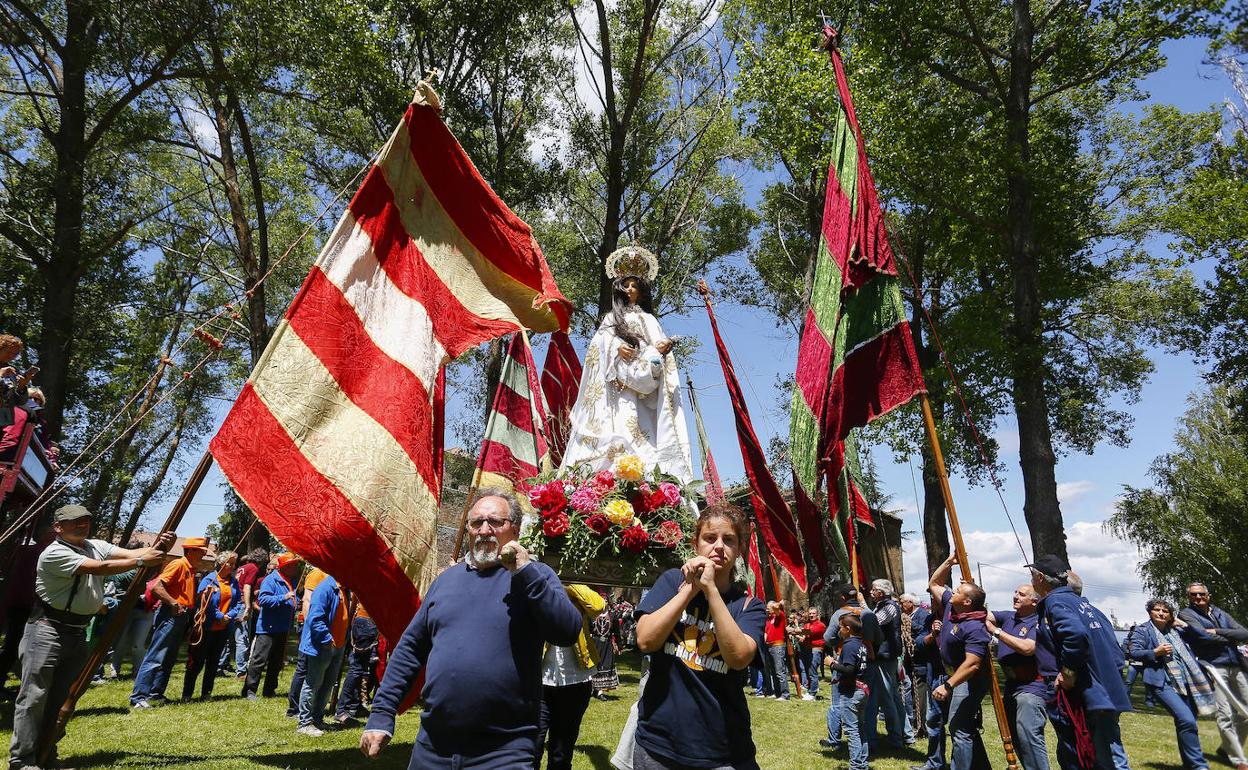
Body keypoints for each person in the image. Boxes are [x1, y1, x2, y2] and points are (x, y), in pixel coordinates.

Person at [359, 489, 581, 767]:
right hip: (433, 747)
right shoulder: (445, 582)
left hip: (505, 752)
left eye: (495, 522)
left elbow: (567, 631)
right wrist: (381, 714)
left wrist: (525, 572)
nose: (484, 530)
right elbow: (410, 651)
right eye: (476, 523)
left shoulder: (535, 576)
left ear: (514, 529)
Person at [9, 505, 169, 770]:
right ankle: (22, 760)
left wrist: (159, 546)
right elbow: (101, 567)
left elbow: (132, 553)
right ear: (58, 527)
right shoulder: (55, 553)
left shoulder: (94, 544)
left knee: (59, 698)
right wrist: (142, 561)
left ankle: (46, 755)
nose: (82, 525)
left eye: (85, 521)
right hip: (47, 630)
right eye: (74, 522)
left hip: (76, 632)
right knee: (34, 698)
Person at [630, 502, 766, 770]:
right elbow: (645, 640)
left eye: (728, 540)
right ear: (696, 544)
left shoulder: (750, 606)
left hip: (722, 752)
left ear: (739, 550)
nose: (718, 546)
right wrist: (689, 590)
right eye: (709, 538)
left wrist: (711, 591)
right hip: (659, 746)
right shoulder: (671, 583)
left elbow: (738, 658)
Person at [558, 246, 693, 482]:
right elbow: (596, 348)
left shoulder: (650, 320)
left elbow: (657, 355)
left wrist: (655, 352)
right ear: (620, 289)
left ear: (641, 292)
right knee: (616, 434)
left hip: (643, 397)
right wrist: (614, 349)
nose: (630, 290)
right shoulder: (611, 319)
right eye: (627, 285)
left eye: (635, 286)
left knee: (644, 443)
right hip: (615, 395)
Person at [1030, 554, 1132, 770]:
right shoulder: (1087, 606)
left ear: (1040, 577)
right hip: (1103, 690)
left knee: (1093, 755)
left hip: (1084, 694)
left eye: (1032, 576)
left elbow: (1075, 635)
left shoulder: (1056, 602)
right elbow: (1116, 654)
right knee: (1108, 753)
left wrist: (1068, 673)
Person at [1125, 598, 1214, 770]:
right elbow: (1134, 652)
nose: (1161, 613)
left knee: (1187, 723)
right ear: (1150, 612)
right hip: (1161, 683)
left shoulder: (1176, 630)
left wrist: (1185, 625)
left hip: (1187, 681)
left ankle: (1190, 764)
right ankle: (1199, 766)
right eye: (1157, 610)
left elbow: (1202, 637)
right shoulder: (1142, 630)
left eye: (1165, 611)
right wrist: (1155, 652)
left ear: (1170, 615)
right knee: (1186, 720)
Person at [927, 554, 992, 770]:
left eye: (958, 592)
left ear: (967, 602)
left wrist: (948, 685)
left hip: (966, 679)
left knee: (958, 728)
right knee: (963, 726)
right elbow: (934, 583)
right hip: (952, 674)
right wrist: (949, 561)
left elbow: (972, 664)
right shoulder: (951, 607)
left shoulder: (975, 626)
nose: (952, 591)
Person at [130, 536, 210, 708]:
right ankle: (139, 697)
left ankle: (156, 693)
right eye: (201, 551)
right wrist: (173, 603)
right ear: (191, 551)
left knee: (168, 657)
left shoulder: (190, 568)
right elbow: (156, 586)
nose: (203, 555)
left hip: (181, 615)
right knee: (156, 655)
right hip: (171, 614)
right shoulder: (179, 564)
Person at [986, 583, 1056, 770]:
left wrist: (996, 631)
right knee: (1014, 736)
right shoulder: (1009, 616)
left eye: (1022, 594)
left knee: (1028, 735)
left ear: (1034, 601)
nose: (1016, 596)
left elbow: (1028, 648)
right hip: (1012, 686)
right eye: (1015, 592)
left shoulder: (1038, 621)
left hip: (1032, 688)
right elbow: (984, 615)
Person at [536, 583, 606, 770]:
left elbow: (598, 606)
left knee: (561, 752)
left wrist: (567, 588)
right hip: (540, 682)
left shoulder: (576, 599)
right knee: (532, 746)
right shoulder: (538, 597)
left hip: (576, 682)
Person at [1179, 582, 1248, 770]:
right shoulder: (1186, 614)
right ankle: (1238, 759)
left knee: (1246, 714)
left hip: (1236, 664)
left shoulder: (1219, 612)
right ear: (1189, 597)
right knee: (1225, 713)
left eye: (1201, 594)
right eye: (1193, 595)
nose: (1198, 598)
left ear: (1208, 595)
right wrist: (1231, 637)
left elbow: (1244, 632)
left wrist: (1218, 631)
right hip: (1213, 667)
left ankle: (1227, 749)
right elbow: (1202, 636)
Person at [182, 550, 241, 700]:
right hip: (206, 628)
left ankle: (206, 693)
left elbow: (238, 603)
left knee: (213, 662)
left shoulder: (234, 582)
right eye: (231, 563)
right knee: (196, 662)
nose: (233, 567)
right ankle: (187, 694)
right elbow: (204, 603)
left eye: (234, 563)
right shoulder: (209, 580)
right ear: (221, 563)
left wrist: (229, 616)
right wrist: (220, 616)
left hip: (223, 629)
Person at [296, 572, 349, 736]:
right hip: (323, 646)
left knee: (327, 686)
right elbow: (315, 617)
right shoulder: (325, 588)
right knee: (313, 684)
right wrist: (326, 639)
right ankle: (304, 723)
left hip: (338, 646)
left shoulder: (343, 590)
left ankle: (317, 719)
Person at [242, 552, 301, 699]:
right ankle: (249, 690)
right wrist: (284, 597)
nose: (296, 568)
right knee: (259, 660)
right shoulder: (271, 580)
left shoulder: (291, 581)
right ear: (286, 567)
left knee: (276, 662)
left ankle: (269, 690)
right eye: (294, 565)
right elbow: (263, 600)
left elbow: (293, 597)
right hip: (268, 628)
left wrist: (296, 601)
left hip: (283, 627)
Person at [866, 578, 911, 748]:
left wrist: (863, 606)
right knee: (892, 696)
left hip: (886, 656)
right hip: (884, 655)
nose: (871, 592)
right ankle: (906, 734)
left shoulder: (890, 607)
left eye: (873, 590)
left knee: (886, 697)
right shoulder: (882, 605)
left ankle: (896, 738)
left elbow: (873, 622)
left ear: (881, 592)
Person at [828, 614, 871, 770]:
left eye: (841, 627)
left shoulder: (849, 646)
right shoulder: (861, 644)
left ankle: (856, 766)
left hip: (851, 693)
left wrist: (832, 664)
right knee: (860, 728)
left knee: (852, 731)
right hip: (862, 690)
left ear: (848, 629)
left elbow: (849, 670)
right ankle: (863, 763)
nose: (839, 629)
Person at [286, 566, 330, 718]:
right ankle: (293, 708)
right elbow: (307, 601)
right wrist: (308, 627)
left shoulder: (329, 574)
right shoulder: (317, 573)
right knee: (303, 668)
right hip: (311, 631)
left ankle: (308, 707)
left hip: (319, 630)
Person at [105, 541, 153, 678]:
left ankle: (137, 670)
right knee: (120, 641)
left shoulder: (148, 568)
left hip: (144, 609)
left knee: (138, 643)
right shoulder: (124, 569)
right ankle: (115, 669)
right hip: (125, 609)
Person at [334, 603, 378, 724]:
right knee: (357, 669)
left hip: (363, 621)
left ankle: (354, 706)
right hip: (366, 622)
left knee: (361, 669)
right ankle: (342, 710)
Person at [900, 593, 931, 736]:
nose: (901, 605)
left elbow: (924, 632)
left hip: (920, 661)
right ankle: (914, 722)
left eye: (903, 602)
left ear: (911, 603)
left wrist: (908, 623)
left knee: (919, 694)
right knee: (911, 692)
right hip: (909, 660)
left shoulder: (923, 615)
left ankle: (921, 726)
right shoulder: (909, 615)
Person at [592, 598, 621, 700]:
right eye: (601, 600)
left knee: (605, 666)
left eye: (605, 600)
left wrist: (619, 645)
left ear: (608, 602)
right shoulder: (593, 614)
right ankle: (593, 689)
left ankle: (600, 692)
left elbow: (617, 632)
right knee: (594, 666)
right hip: (594, 643)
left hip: (607, 645)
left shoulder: (613, 615)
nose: (604, 602)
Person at [763, 600, 791, 701]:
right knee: (774, 672)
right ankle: (778, 693)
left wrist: (778, 603)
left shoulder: (780, 615)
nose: (767, 609)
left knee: (780, 671)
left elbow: (776, 608)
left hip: (778, 646)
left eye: (768, 608)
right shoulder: (768, 619)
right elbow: (766, 632)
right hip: (769, 646)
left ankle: (785, 694)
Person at [800, 608, 826, 700]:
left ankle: (812, 693)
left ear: (817, 614)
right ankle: (810, 690)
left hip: (816, 650)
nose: (811, 615)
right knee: (808, 671)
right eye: (810, 613)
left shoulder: (820, 625)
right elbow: (804, 633)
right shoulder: (807, 624)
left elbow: (810, 632)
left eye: (813, 613)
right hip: (808, 649)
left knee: (813, 671)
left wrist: (796, 630)